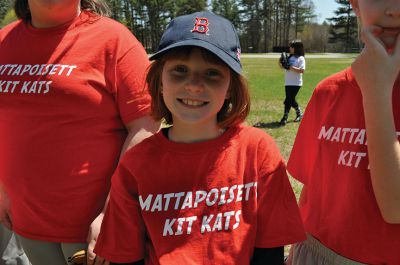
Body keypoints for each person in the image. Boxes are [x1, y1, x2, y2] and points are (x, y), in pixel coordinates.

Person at [93, 11, 306, 265]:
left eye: (212, 73)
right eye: (179, 70)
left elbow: (269, 252)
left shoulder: (257, 151)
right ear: (160, 82)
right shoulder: (136, 164)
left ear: (230, 88)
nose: (194, 85)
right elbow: (127, 257)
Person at [0, 0, 160, 265]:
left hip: (94, 228)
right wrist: (2, 189)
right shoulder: (4, 41)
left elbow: (146, 126)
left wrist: (113, 213)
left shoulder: (113, 39)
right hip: (28, 221)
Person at [286, 0, 400, 264]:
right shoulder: (329, 91)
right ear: (356, 5)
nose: (394, 10)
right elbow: (313, 188)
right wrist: (297, 252)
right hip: (316, 250)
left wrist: (376, 91)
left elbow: (395, 208)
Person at [278, 40, 306, 126]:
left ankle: (285, 117)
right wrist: (280, 62)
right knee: (291, 99)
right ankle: (299, 114)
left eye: (291, 47)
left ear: (296, 48)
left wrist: (290, 67)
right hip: (288, 82)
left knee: (288, 100)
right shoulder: (290, 57)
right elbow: (282, 67)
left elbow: (302, 70)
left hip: (296, 83)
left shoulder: (300, 58)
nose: (290, 48)